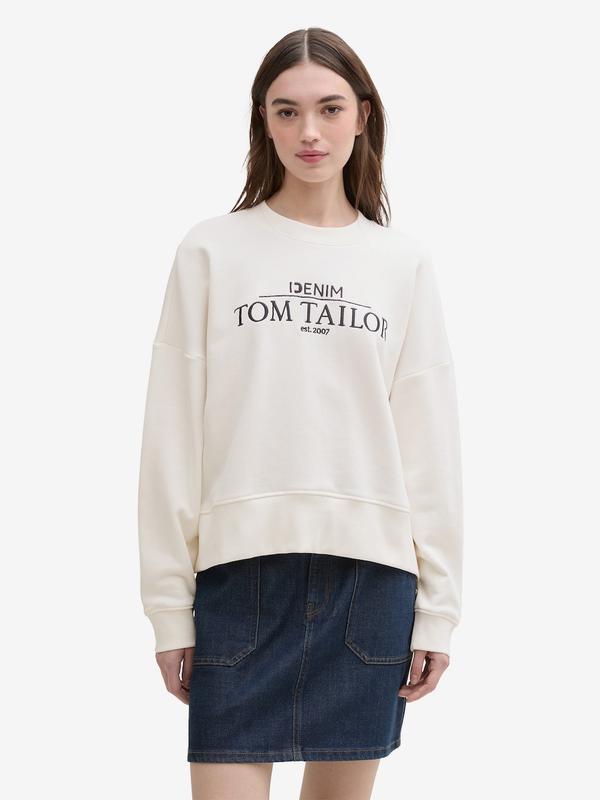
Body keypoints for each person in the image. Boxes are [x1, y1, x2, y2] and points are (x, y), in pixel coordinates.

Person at [137, 27, 463, 800]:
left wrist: (438, 611)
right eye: (286, 111)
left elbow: (429, 445)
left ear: (363, 116)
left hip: (370, 583)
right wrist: (169, 610)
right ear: (264, 120)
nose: (308, 132)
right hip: (239, 579)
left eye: (329, 108)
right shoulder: (211, 252)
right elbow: (172, 436)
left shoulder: (402, 263)